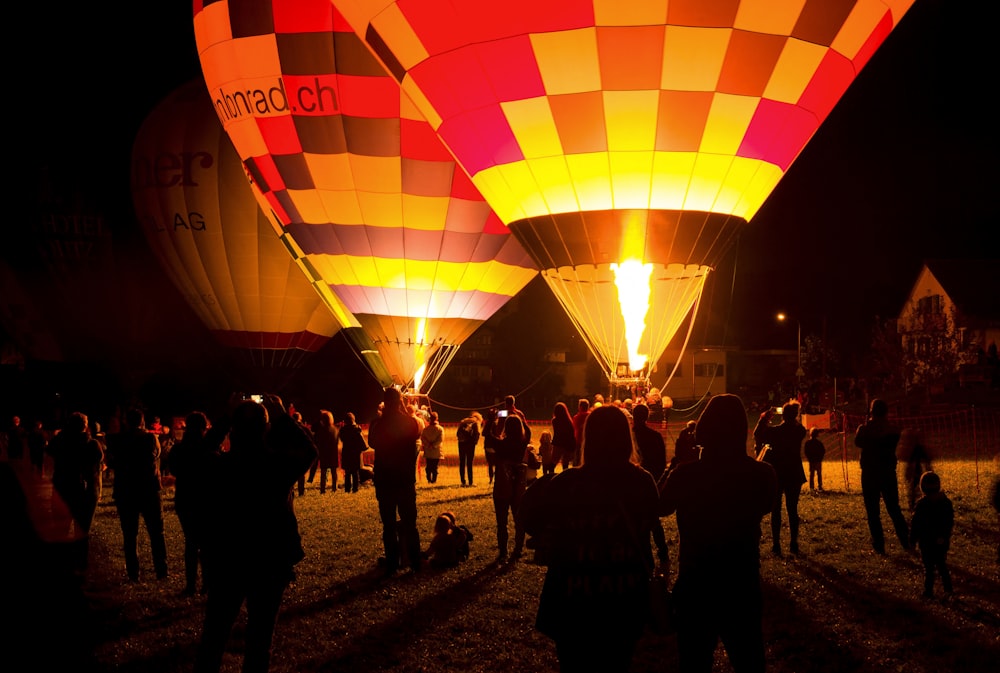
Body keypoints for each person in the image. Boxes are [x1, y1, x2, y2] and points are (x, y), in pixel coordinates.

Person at [519, 405, 660, 673]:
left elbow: (529, 515)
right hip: (624, 599)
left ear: (588, 438)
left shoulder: (566, 483)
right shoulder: (641, 482)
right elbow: (650, 519)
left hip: (574, 602)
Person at [195, 394, 317, 673]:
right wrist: (282, 415)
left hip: (227, 559)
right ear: (266, 429)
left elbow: (201, 453)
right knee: (260, 639)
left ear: (234, 431)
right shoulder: (276, 466)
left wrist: (227, 417)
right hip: (270, 560)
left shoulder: (220, 467)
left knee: (214, 636)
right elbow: (309, 450)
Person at [659, 394, 778, 673]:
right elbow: (766, 505)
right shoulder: (762, 474)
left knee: (693, 662)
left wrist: (677, 467)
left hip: (696, 583)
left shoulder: (686, 476)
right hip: (741, 581)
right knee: (749, 659)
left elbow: (660, 506)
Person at [104, 407, 169, 582]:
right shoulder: (150, 438)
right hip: (148, 489)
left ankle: (133, 573)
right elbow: (155, 456)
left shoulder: (117, 440)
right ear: (142, 421)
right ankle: (161, 571)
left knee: (129, 534)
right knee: (157, 532)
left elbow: (111, 462)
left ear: (126, 421)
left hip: (126, 490)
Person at [166, 411, 224, 596]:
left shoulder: (179, 448)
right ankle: (207, 584)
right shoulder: (209, 446)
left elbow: (173, 469)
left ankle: (191, 585)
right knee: (208, 544)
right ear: (204, 427)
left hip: (185, 498)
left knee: (191, 543)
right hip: (207, 498)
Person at [367, 387, 422, 577]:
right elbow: (417, 433)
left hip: (385, 480)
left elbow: (372, 443)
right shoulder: (411, 422)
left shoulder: (377, 423)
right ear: (400, 401)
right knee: (410, 523)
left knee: (388, 525)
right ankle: (415, 561)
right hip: (405, 479)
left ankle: (392, 563)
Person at [47, 411, 104, 572]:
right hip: (85, 490)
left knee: (61, 528)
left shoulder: (60, 441)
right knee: (82, 530)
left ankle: (61, 563)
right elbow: (99, 459)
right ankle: (80, 564)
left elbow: (50, 451)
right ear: (85, 426)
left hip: (63, 488)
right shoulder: (91, 444)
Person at [854, 398, 910, 555]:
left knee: (873, 512)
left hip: (870, 473)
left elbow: (858, 442)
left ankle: (879, 545)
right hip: (887, 472)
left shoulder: (864, 430)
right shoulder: (894, 431)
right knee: (894, 508)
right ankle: (906, 541)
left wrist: (867, 425)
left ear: (871, 412)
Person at [753, 402, 807, 555]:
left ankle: (776, 544)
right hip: (794, 472)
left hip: (778, 472)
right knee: (792, 509)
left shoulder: (775, 432)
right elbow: (798, 427)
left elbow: (758, 433)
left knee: (776, 509)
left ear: (783, 415)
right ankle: (793, 543)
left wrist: (764, 418)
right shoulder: (799, 431)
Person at [632, 403, 669, 566]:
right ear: (647, 416)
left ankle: (642, 557)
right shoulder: (654, 436)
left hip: (631, 483)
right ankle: (662, 554)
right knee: (653, 519)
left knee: (636, 520)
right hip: (650, 480)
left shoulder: (628, 436)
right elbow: (662, 461)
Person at [909, 471, 954, 598]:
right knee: (941, 565)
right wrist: (944, 536)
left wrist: (912, 540)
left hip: (926, 541)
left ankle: (928, 591)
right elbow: (949, 522)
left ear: (922, 487)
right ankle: (948, 589)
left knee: (929, 568)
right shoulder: (945, 503)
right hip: (941, 541)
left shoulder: (922, 505)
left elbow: (916, 524)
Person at [492, 413, 530, 563]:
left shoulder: (500, 444)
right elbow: (528, 432)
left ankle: (503, 551)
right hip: (518, 486)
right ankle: (518, 549)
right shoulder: (522, 443)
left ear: (506, 428)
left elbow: (489, 437)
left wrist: (491, 421)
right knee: (518, 519)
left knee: (502, 522)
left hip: (502, 484)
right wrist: (522, 418)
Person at [901, 429, 933, 511]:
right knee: (913, 490)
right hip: (917, 473)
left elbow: (926, 461)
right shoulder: (915, 449)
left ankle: (915, 505)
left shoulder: (917, 449)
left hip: (918, 473)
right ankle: (914, 506)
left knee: (914, 490)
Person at [339, 412, 368, 494]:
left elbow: (341, 439)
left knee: (347, 473)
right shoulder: (357, 429)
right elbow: (361, 441)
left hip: (347, 453)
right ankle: (355, 489)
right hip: (355, 453)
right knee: (355, 472)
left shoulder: (343, 430)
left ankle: (347, 489)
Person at [312, 410, 340, 494]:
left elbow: (317, 441)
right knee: (334, 472)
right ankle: (334, 488)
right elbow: (337, 441)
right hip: (333, 452)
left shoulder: (321, 430)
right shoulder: (335, 429)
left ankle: (322, 489)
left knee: (323, 472)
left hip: (324, 453)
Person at [456, 411, 481, 487]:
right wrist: (475, 442)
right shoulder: (476, 423)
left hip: (461, 443)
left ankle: (463, 481)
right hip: (470, 444)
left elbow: (457, 433)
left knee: (462, 462)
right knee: (469, 463)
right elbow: (477, 434)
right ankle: (470, 482)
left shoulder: (463, 421)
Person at [420, 411, 444, 484]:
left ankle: (429, 479)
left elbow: (423, 438)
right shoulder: (440, 429)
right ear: (437, 419)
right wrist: (434, 445)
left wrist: (428, 445)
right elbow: (440, 439)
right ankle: (434, 480)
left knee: (428, 466)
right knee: (434, 466)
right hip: (436, 451)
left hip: (428, 451)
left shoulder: (426, 429)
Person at [551, 401, 576, 472]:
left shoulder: (555, 421)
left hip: (558, 443)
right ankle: (565, 479)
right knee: (565, 464)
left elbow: (556, 433)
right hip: (568, 444)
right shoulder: (569, 421)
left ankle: (550, 477)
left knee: (553, 463)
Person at [804, 427, 825, 492]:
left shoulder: (808, 443)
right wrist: (820, 458)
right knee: (819, 474)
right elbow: (823, 451)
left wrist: (809, 458)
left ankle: (811, 487)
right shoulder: (819, 443)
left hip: (812, 460)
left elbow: (806, 451)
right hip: (818, 460)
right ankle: (820, 486)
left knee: (812, 474)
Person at [570, 398, 590, 468]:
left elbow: (574, 427)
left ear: (580, 407)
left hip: (579, 441)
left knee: (577, 460)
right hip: (589, 440)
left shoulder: (577, 417)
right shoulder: (591, 416)